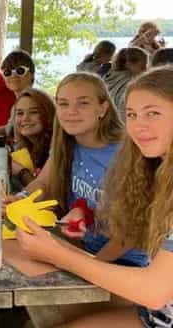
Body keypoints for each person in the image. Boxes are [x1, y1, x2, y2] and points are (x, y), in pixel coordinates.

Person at [16, 67, 173, 327]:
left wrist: (62, 256)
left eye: (153, 113)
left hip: (146, 293)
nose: (138, 125)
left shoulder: (128, 156)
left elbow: (155, 292)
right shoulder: (150, 165)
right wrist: (82, 215)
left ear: (103, 109)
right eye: (132, 114)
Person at [6, 72, 147, 267]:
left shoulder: (128, 152)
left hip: (123, 262)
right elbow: (43, 183)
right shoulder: (66, 143)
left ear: (103, 108)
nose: (71, 111)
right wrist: (20, 199)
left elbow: (131, 233)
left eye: (83, 103)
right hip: (81, 249)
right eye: (63, 104)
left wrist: (88, 265)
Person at [10, 88, 55, 187]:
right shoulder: (26, 147)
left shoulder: (56, 147)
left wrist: (21, 171)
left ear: (48, 114)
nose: (25, 118)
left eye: (34, 112)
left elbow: (43, 194)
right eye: (20, 113)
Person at [104, 47, 148, 119]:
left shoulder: (107, 79)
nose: (146, 70)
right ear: (128, 64)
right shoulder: (133, 84)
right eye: (143, 66)